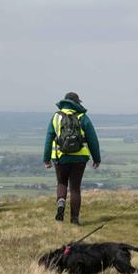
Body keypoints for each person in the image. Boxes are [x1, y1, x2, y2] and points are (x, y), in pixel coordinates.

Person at [43, 91, 101, 225]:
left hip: (60, 157)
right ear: (77, 103)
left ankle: (61, 203)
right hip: (79, 159)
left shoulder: (56, 117)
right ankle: (74, 219)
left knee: (61, 183)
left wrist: (46, 159)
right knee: (75, 188)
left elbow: (48, 139)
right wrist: (96, 159)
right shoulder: (83, 117)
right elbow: (93, 139)